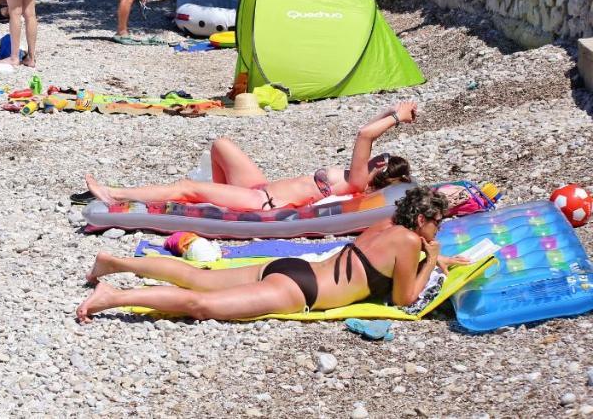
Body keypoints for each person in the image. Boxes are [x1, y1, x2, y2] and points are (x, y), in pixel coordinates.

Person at [77, 186, 466, 323]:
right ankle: (112, 298)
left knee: (198, 277)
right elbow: (403, 299)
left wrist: (432, 257)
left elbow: (378, 261)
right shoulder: (413, 243)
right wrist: (432, 260)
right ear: (421, 219)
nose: (439, 230)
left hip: (294, 268)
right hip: (301, 292)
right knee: (200, 304)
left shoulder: (385, 226)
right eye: (438, 224)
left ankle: (115, 262)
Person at [85, 103, 416, 211]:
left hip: (263, 202)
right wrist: (394, 111)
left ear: (381, 168)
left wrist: (398, 119)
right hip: (260, 187)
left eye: (381, 156)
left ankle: (113, 193)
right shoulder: (357, 174)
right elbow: (369, 130)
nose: (376, 154)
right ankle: (213, 203)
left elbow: (364, 134)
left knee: (185, 186)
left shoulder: (358, 180)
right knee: (221, 144)